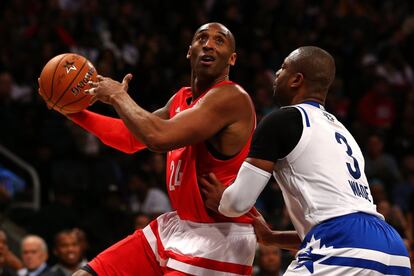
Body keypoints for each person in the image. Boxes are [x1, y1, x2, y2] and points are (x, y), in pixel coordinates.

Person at [42, 22, 256, 275]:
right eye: (201, 38)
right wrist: (69, 109)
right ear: (190, 51)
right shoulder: (181, 98)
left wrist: (118, 97)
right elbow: (130, 138)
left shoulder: (232, 98)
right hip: (179, 224)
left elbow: (158, 137)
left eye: (219, 40)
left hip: (218, 237)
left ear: (232, 59)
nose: (208, 44)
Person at [200, 46, 411, 275]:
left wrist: (223, 199)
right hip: (393, 249)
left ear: (296, 80)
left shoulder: (281, 120)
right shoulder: (343, 132)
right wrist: (271, 238)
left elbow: (237, 203)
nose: (277, 74)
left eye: (282, 68)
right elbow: (338, 222)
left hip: (344, 245)